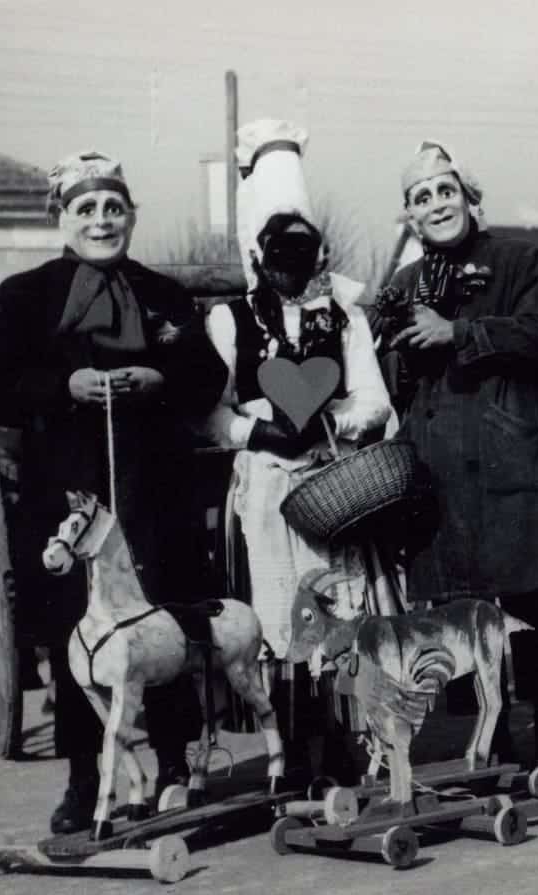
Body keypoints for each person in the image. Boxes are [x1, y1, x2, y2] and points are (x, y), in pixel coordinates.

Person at [0, 151, 228, 833]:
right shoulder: (23, 297)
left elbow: (206, 377)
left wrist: (159, 380)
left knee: (163, 616)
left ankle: (173, 765)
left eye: (114, 207)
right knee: (75, 629)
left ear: (131, 217)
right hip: (65, 489)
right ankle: (85, 779)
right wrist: (65, 386)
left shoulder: (163, 293)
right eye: (86, 208)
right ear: (61, 218)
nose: (102, 220)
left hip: (155, 485)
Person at [202, 120, 394, 780]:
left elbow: (374, 400)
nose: (291, 260)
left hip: (330, 481)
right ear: (259, 252)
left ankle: (343, 745)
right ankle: (290, 752)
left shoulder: (345, 318)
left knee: (338, 605)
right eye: (278, 247)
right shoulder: (230, 320)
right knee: (279, 610)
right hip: (265, 486)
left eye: (303, 247)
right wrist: (260, 432)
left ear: (318, 251)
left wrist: (331, 421)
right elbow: (213, 413)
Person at [370, 142, 538, 768]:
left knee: (529, 593)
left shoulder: (517, 259)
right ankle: (492, 731)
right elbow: (393, 382)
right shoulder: (402, 282)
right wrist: (396, 351)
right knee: (462, 607)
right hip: (440, 461)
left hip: (509, 446)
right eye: (422, 197)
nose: (437, 205)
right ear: (409, 214)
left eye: (446, 191)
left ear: (468, 197)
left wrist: (458, 332)